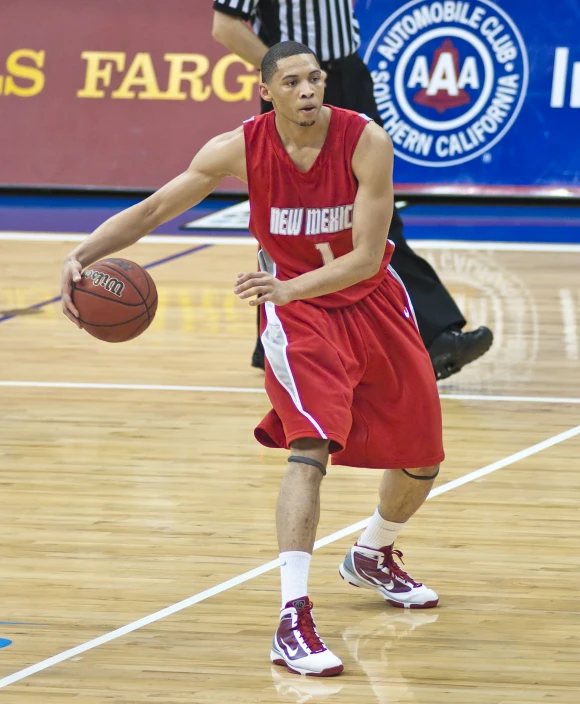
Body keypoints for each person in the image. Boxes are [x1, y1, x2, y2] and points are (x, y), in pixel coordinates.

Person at [61, 41, 444, 677]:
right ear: (266, 90)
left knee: (423, 457)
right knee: (309, 448)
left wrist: (289, 284)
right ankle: (292, 618)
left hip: (371, 301)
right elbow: (157, 208)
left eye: (315, 79)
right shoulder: (237, 147)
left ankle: (373, 552)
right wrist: (85, 252)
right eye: (292, 81)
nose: (307, 90)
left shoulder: (364, 141)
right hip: (298, 319)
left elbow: (371, 254)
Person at [212, 0, 493, 380]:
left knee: (372, 218)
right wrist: (293, 80)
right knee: (285, 223)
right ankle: (433, 335)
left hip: (347, 74)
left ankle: (428, 334)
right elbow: (225, 27)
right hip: (300, 84)